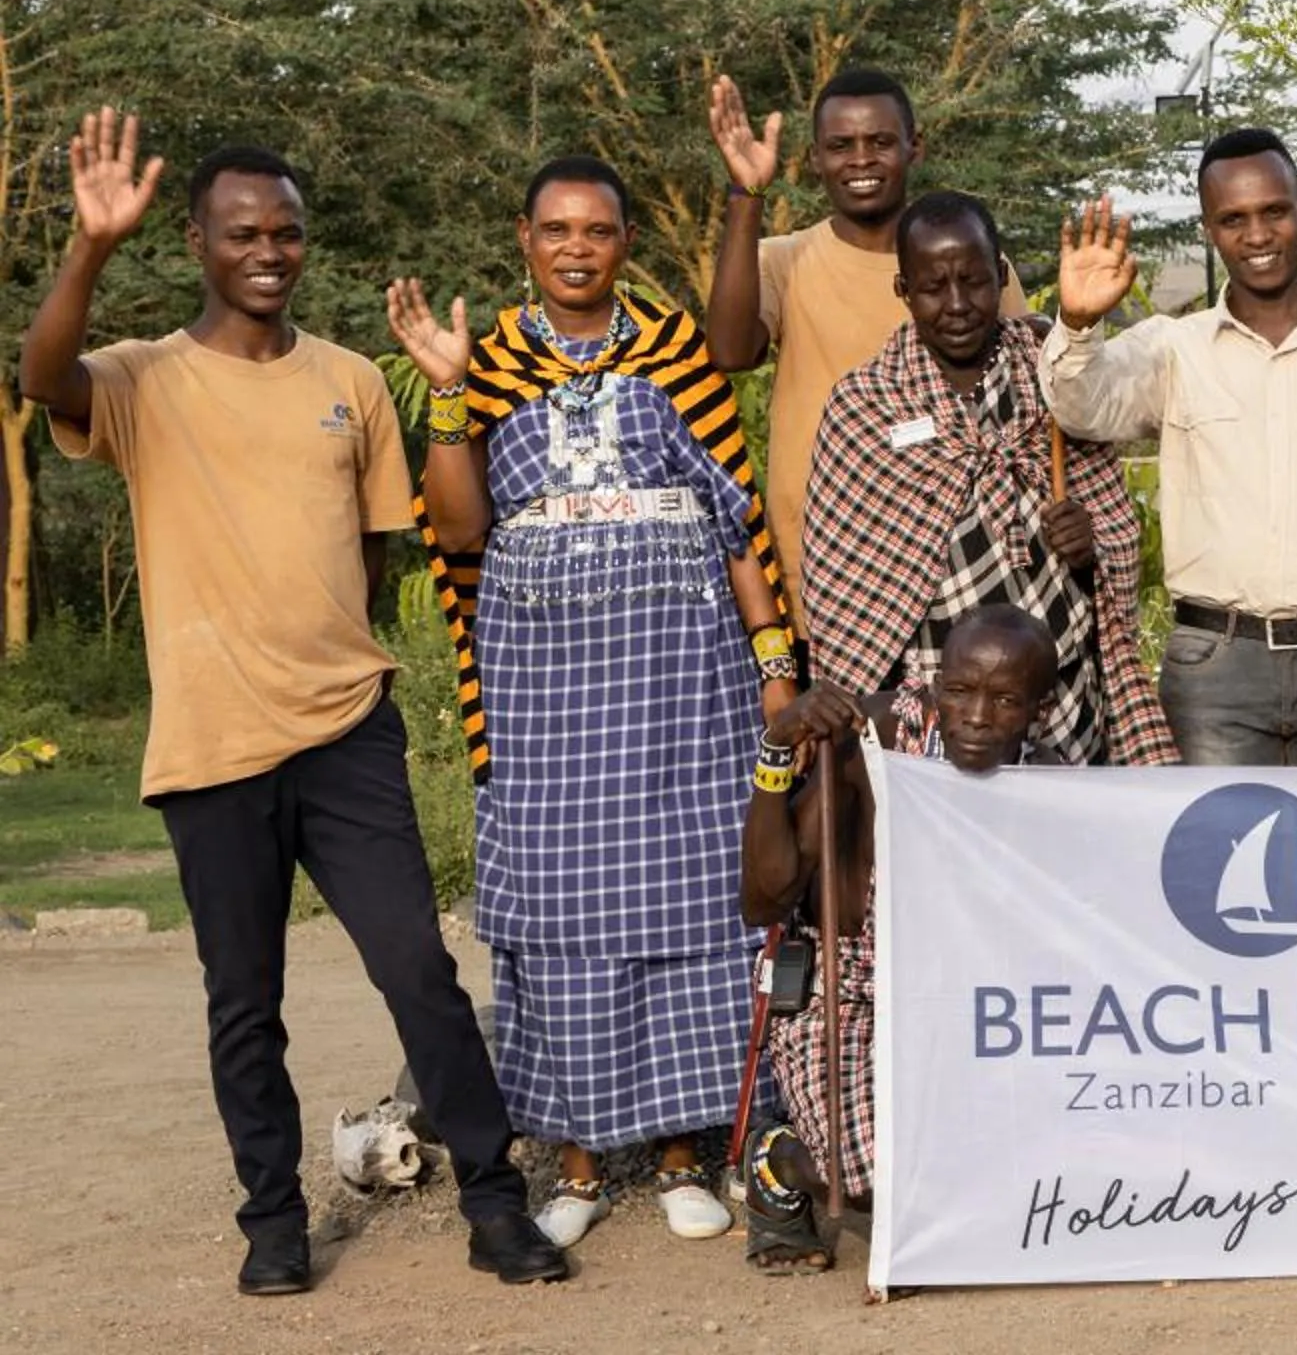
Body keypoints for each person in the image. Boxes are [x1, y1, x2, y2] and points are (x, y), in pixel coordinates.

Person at [16, 116, 569, 1295]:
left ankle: (493, 1198)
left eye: (287, 232)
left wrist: (334, 657)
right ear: (198, 242)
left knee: (419, 967)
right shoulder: (141, 377)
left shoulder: (351, 380)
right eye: (242, 232)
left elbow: (371, 552)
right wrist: (87, 248)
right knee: (243, 998)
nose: (269, 250)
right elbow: (42, 377)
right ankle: (272, 1217)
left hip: (347, 731)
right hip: (213, 743)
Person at [392, 156, 788, 1249]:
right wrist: (449, 392)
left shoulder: (673, 349)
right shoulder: (490, 360)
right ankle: (575, 1161)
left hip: (683, 691)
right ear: (525, 236)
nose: (578, 247)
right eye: (557, 228)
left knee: (685, 906)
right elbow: (461, 531)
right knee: (562, 918)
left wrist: (775, 663)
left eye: (600, 230)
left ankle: (673, 1156)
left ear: (623, 242)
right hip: (547, 700)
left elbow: (735, 516)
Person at [1043, 127, 1297, 767]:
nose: (1257, 235)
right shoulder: (1174, 351)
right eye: (1234, 219)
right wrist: (1077, 323)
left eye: (1274, 212)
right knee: (1215, 865)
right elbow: (1081, 407)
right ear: (1210, 228)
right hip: (1213, 673)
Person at [797, 189, 1176, 766]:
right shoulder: (864, 405)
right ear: (903, 290)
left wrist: (1088, 544)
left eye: (973, 281)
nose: (956, 304)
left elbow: (1114, 532)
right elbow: (845, 588)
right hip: (932, 702)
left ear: (1000, 275)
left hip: (1060, 694)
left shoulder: (1055, 374)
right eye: (932, 287)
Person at [735, 603, 1053, 1271]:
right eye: (960, 691)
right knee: (876, 1184)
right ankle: (779, 1162)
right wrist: (776, 751)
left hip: (966, 1006)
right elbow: (764, 899)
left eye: (1003, 701)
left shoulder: (1045, 779)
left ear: (1036, 710)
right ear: (936, 685)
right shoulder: (874, 738)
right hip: (851, 995)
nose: (975, 716)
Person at [703, 67, 1024, 619]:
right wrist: (747, 193)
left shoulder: (970, 268)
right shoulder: (784, 260)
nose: (861, 160)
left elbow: (1023, 397)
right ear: (816, 157)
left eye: (880, 142)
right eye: (841, 146)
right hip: (833, 573)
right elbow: (731, 352)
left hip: (969, 567)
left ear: (913, 147)